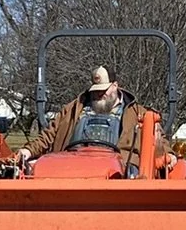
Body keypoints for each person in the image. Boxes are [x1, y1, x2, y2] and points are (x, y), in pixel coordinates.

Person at [17, 66, 163, 176]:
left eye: (103, 90)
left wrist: (168, 153)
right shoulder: (74, 108)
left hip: (120, 172)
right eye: (95, 90)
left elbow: (157, 138)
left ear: (115, 86)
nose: (99, 95)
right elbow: (49, 135)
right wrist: (27, 151)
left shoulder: (137, 113)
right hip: (71, 167)